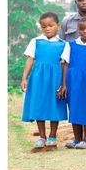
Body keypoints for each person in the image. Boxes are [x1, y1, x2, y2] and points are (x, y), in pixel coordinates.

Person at [21, 12, 69, 149]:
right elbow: (30, 60)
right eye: (44, 26)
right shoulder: (36, 41)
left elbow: (65, 64)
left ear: (58, 26)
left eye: (50, 25)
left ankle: (53, 136)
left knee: (54, 105)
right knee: (38, 104)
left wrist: (63, 84)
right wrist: (24, 78)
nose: (47, 28)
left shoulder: (63, 44)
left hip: (56, 78)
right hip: (38, 78)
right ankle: (42, 137)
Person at [65, 17, 86, 149]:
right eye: (82, 29)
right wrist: (64, 84)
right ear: (78, 30)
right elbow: (65, 64)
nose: (85, 31)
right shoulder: (71, 45)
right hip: (73, 80)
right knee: (74, 107)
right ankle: (77, 138)